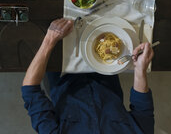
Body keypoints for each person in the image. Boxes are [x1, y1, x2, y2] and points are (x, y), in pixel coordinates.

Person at [22, 18, 155, 133]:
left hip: (62, 70)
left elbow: (30, 90)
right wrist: (140, 69)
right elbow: (142, 109)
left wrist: (49, 40)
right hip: (106, 70)